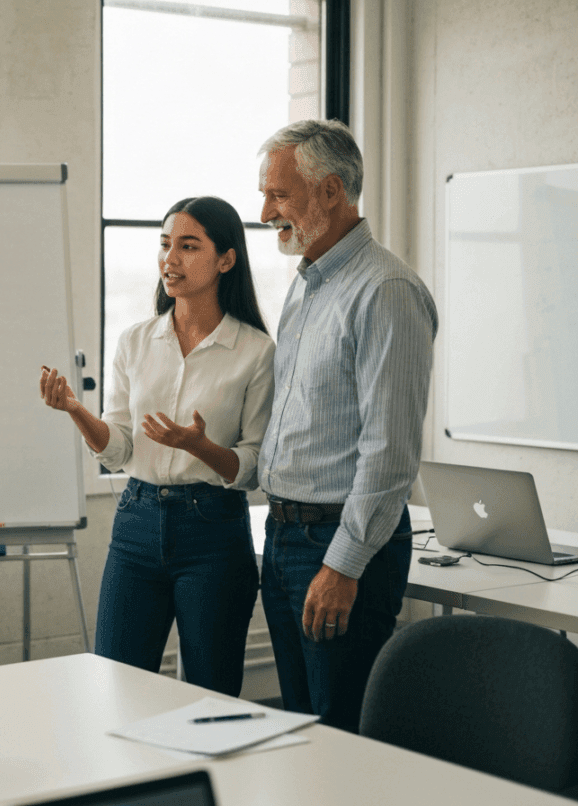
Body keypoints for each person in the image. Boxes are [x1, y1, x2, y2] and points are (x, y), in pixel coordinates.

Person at [40, 196, 274, 696]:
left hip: (213, 533)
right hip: (137, 524)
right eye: (165, 244)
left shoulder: (256, 352)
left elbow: (254, 466)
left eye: (188, 246)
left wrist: (200, 447)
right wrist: (77, 411)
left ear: (226, 260)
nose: (170, 259)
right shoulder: (135, 341)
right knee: (116, 688)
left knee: (210, 699)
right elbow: (119, 448)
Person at [255, 120, 437, 731]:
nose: (265, 212)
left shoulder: (385, 290)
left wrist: (343, 564)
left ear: (330, 191)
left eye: (278, 195)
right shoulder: (306, 287)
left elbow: (389, 454)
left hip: (338, 544)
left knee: (342, 735)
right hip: (285, 537)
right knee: (299, 729)